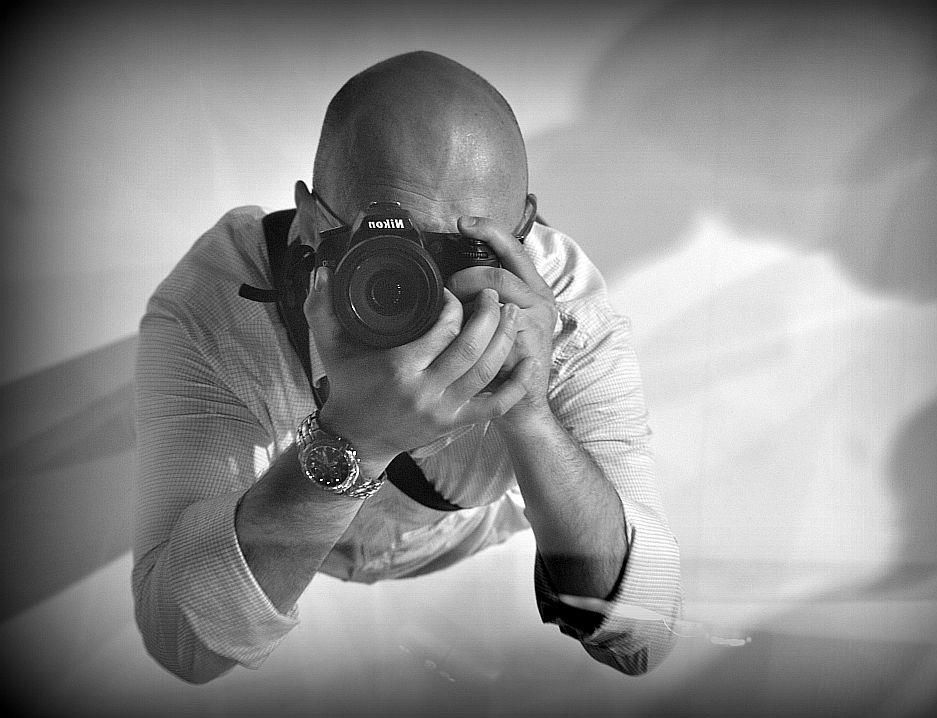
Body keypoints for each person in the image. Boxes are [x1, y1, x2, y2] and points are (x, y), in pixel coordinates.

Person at [132, 51, 682, 684]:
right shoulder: (217, 302)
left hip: (466, 536)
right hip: (300, 554)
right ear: (311, 222)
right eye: (387, 245)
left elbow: (644, 636)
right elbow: (183, 644)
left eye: (461, 252)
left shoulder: (559, 307)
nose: (425, 291)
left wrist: (530, 411)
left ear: (522, 231)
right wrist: (356, 439)